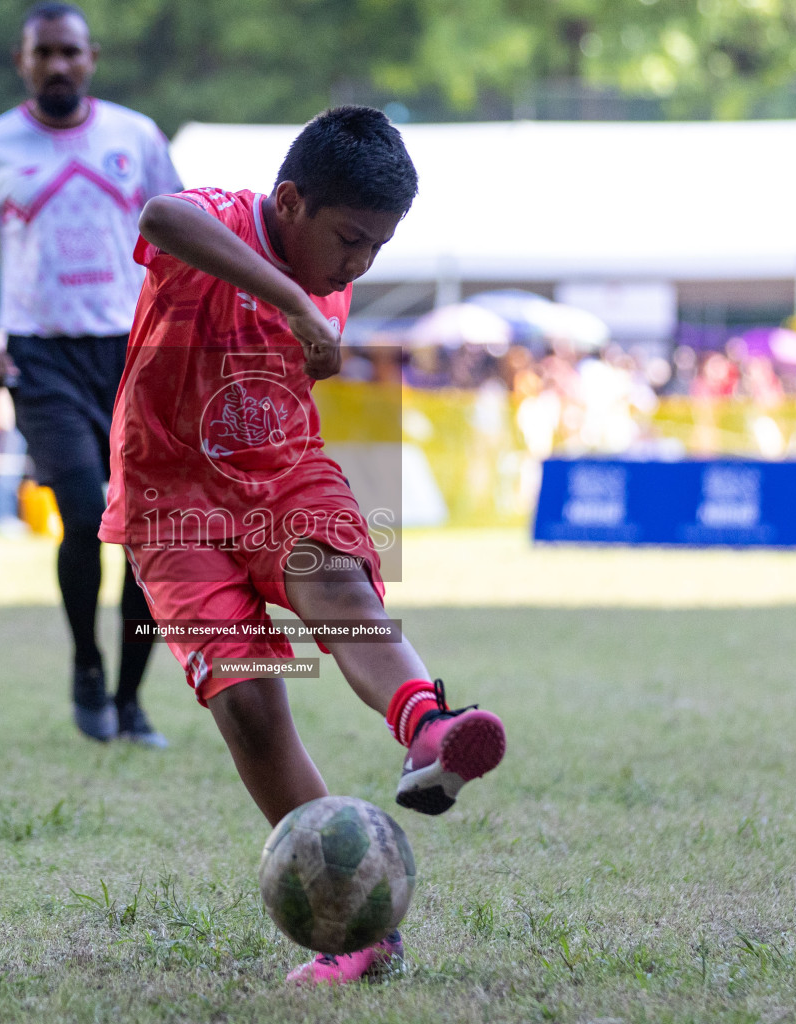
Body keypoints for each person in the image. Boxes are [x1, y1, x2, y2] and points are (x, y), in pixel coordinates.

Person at [99, 106, 507, 982]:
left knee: (338, 590)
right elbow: (159, 220)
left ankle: (430, 730)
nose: (357, 266)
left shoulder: (332, 261)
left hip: (283, 474)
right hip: (170, 501)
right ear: (288, 201)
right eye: (350, 240)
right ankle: (361, 931)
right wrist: (292, 298)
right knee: (249, 707)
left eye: (376, 249)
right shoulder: (220, 216)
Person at [0, 1, 182, 746]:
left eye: (69, 52)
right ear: (22, 62)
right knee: (83, 514)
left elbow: (183, 233)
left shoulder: (136, 137)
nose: (57, 65)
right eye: (42, 53)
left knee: (144, 531)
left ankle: (130, 698)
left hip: (134, 352)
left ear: (92, 58)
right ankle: (86, 663)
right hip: (40, 356)